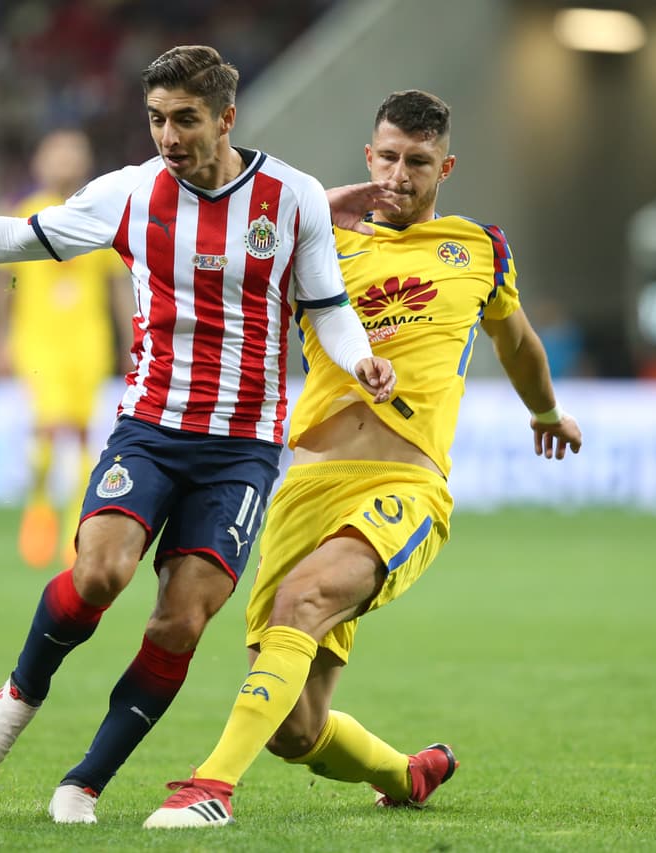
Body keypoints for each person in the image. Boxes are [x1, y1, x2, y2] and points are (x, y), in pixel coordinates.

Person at [0, 45, 396, 824]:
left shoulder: (291, 198)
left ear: (226, 117)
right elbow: (20, 238)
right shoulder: (129, 192)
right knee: (99, 572)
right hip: (150, 428)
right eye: (156, 119)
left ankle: (84, 782)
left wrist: (360, 359)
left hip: (242, 447)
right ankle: (17, 698)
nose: (168, 136)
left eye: (185, 119)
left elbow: (327, 306)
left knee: (180, 619)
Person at [144, 89, 584, 829]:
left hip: (402, 484)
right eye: (388, 157)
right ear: (368, 157)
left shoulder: (480, 248)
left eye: (419, 162)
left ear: (446, 168)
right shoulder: (319, 238)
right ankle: (407, 775)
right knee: (295, 728)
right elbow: (224, 241)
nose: (400, 176)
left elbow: (518, 343)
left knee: (302, 600)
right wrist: (318, 207)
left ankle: (210, 787)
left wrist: (545, 412)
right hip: (305, 486)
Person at [0, 129, 134, 569]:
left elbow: (117, 285)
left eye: (73, 153)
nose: (66, 160)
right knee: (49, 428)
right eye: (58, 153)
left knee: (84, 433)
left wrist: (131, 341)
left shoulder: (99, 216)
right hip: (38, 339)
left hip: (88, 340)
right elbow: (3, 280)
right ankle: (39, 506)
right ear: (39, 162)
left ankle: (74, 527)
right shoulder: (23, 214)